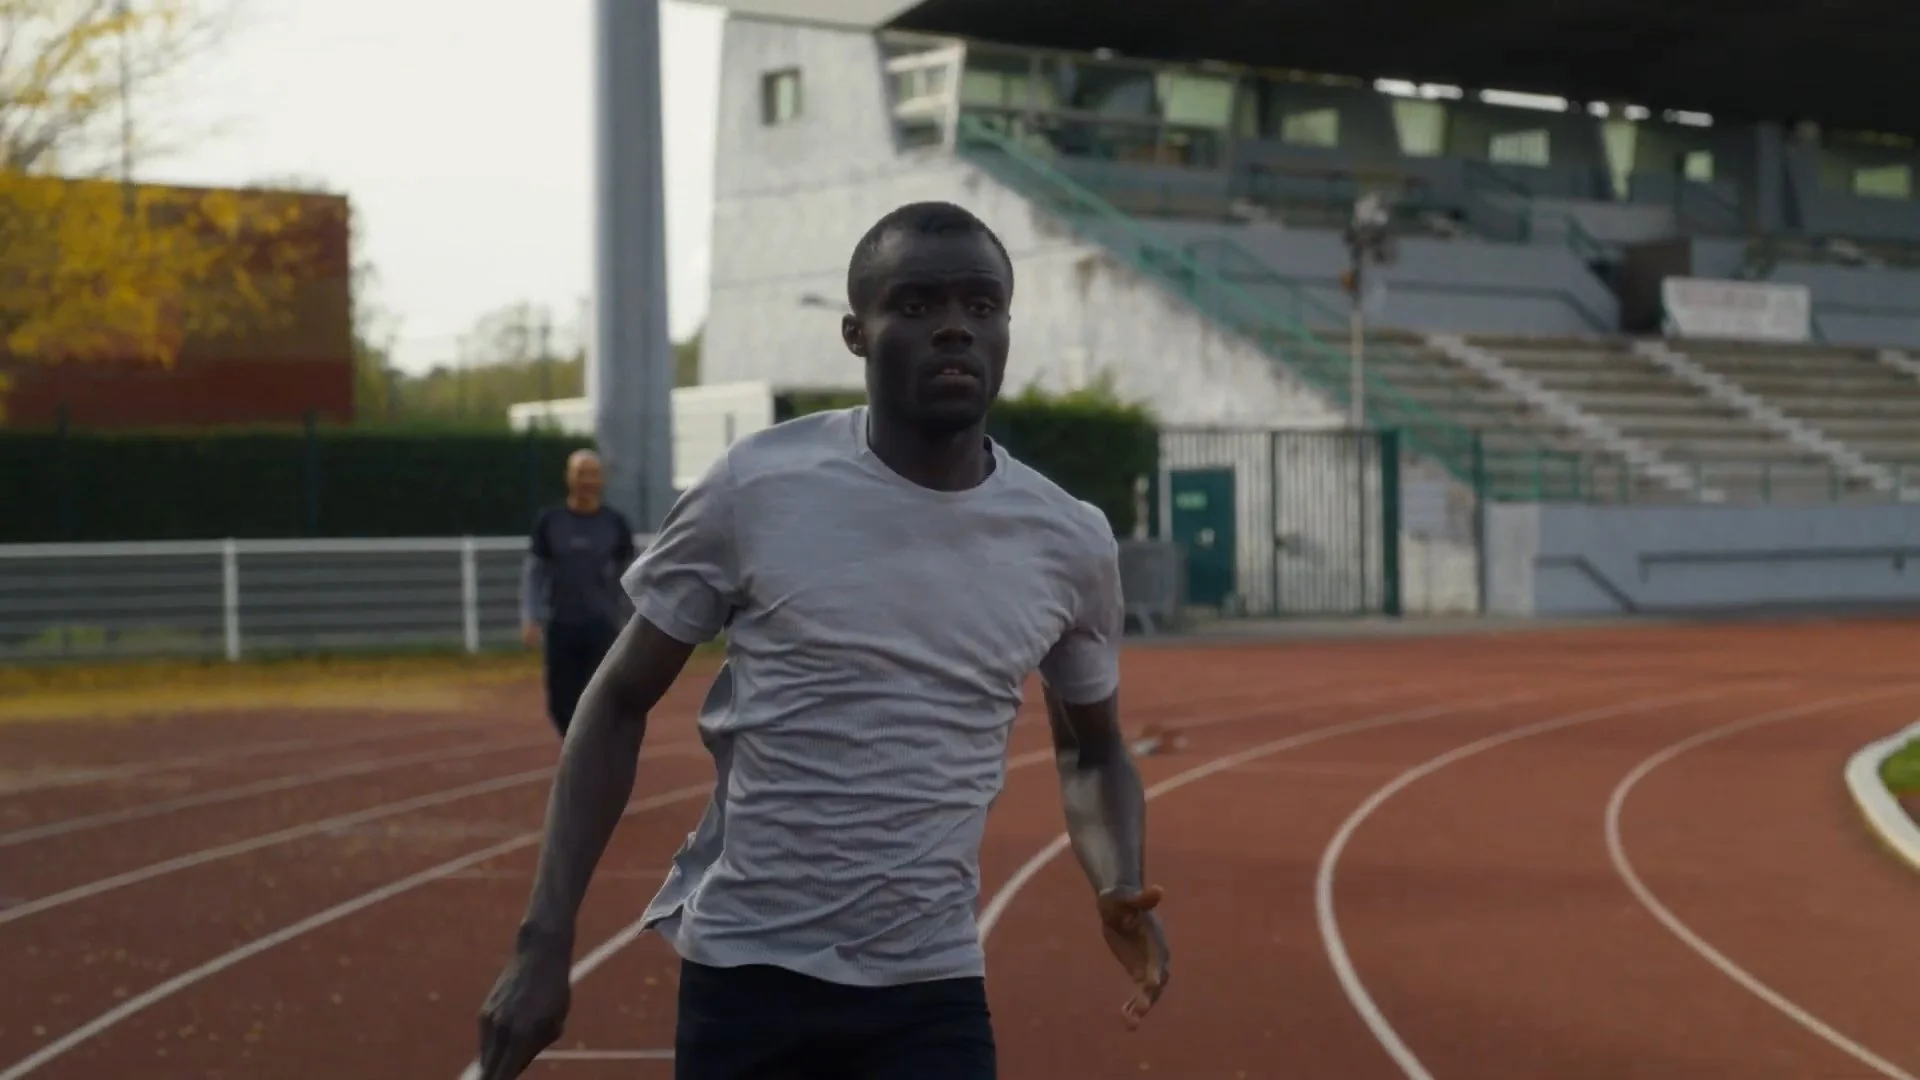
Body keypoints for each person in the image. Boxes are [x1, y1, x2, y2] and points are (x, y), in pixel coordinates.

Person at [477, 201, 1171, 1080]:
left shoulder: (1068, 539)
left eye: (982, 305)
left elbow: (1093, 752)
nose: (954, 327)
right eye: (916, 305)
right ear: (855, 334)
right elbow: (616, 700)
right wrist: (544, 939)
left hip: (930, 986)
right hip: (747, 979)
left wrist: (1117, 879)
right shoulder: (757, 488)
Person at [520, 449, 637, 738]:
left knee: (600, 699)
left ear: (602, 479)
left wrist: (632, 621)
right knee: (560, 703)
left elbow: (630, 576)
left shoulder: (615, 523)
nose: (587, 481)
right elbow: (535, 573)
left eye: (593, 474)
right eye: (581, 474)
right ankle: (575, 746)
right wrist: (531, 617)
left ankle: (589, 755)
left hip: (603, 625)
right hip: (561, 624)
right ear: (568, 478)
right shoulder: (550, 522)